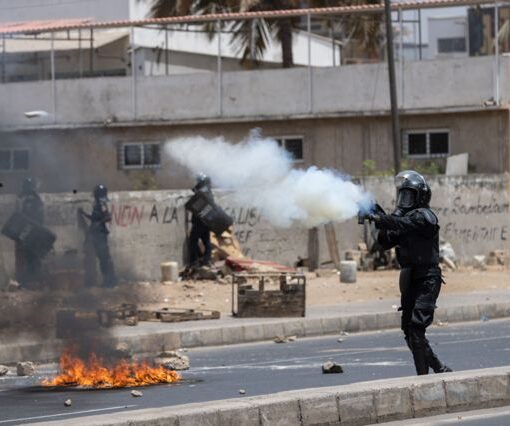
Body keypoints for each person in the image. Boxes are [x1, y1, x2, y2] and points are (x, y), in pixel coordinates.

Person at [363, 170, 452, 375]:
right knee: (409, 331)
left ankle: (424, 376)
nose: (405, 200)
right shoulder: (403, 219)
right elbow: (384, 242)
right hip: (409, 278)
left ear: (421, 196)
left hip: (427, 279)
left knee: (416, 329)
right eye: (402, 195)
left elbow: (405, 224)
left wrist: (383, 218)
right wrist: (376, 216)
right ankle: (439, 368)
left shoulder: (425, 216)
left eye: (409, 195)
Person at [78, 184, 117, 288]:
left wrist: (99, 223)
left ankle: (110, 281)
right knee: (101, 258)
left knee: (104, 258)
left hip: (101, 235)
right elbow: (94, 219)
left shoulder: (102, 203)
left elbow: (108, 217)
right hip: (97, 235)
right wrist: (84, 214)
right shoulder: (98, 204)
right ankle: (107, 281)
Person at [15, 177, 44, 288]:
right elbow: (41, 217)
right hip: (35, 231)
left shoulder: (24, 199)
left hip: (28, 231)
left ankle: (28, 281)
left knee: (27, 257)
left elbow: (19, 216)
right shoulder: (37, 199)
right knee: (34, 257)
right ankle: (36, 281)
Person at [187, 174, 213, 266]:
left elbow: (195, 202)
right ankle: (207, 260)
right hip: (207, 221)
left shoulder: (202, 192)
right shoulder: (208, 191)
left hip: (200, 222)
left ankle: (194, 262)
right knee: (206, 241)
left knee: (193, 241)